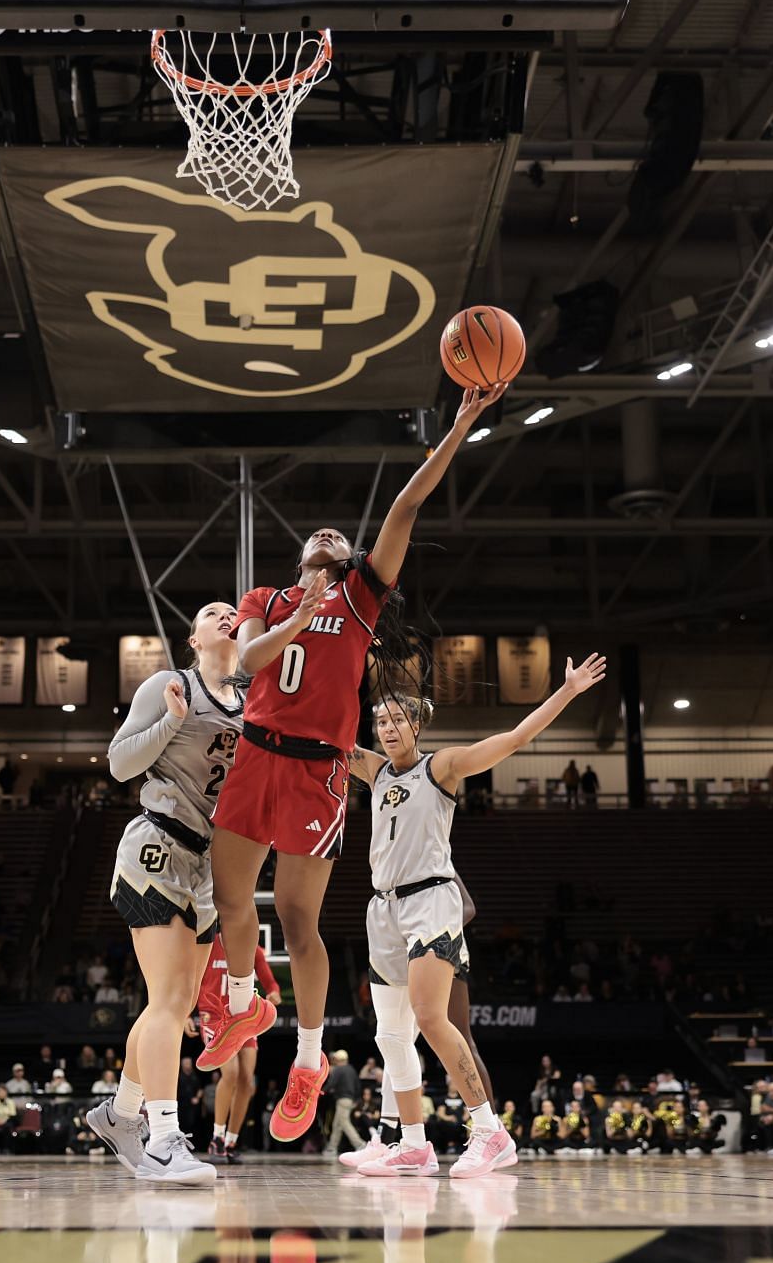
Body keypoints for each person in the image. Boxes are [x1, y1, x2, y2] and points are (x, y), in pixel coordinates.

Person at [202, 383, 507, 1145]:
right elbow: (242, 664)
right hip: (257, 753)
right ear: (303, 557)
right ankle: (245, 1000)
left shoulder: (364, 597)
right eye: (323, 535)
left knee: (300, 919)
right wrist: (298, 616)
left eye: (342, 538)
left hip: (316, 770)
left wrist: (460, 424)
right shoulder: (267, 599)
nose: (333, 533)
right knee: (230, 898)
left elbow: (404, 506)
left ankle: (307, 1059)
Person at [348, 653, 606, 1180]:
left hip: (430, 901)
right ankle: (412, 1144)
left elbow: (513, 740)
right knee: (390, 1036)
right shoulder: (372, 771)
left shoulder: (440, 766)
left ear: (416, 724)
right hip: (384, 908)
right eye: (380, 721)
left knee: (429, 1018)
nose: (388, 727)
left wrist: (568, 692)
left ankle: (490, 1131)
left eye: (397, 719)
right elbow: (315, 742)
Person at [83, 601, 243, 1186]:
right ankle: (163, 1136)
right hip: (156, 844)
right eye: (211, 611)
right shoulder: (171, 684)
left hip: (208, 861)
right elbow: (121, 764)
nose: (226, 614)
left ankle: (120, 1113)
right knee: (170, 1000)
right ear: (193, 638)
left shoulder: (253, 705)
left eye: (233, 610)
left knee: (170, 1006)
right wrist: (171, 723)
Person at [193, 935, 279, 1164]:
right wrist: (185, 1012)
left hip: (243, 1019)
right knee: (229, 1074)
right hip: (214, 1017)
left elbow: (270, 981)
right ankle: (216, 1138)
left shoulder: (252, 948)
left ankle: (231, 1141)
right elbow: (191, 978)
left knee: (246, 1081)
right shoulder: (208, 945)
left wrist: (273, 992)